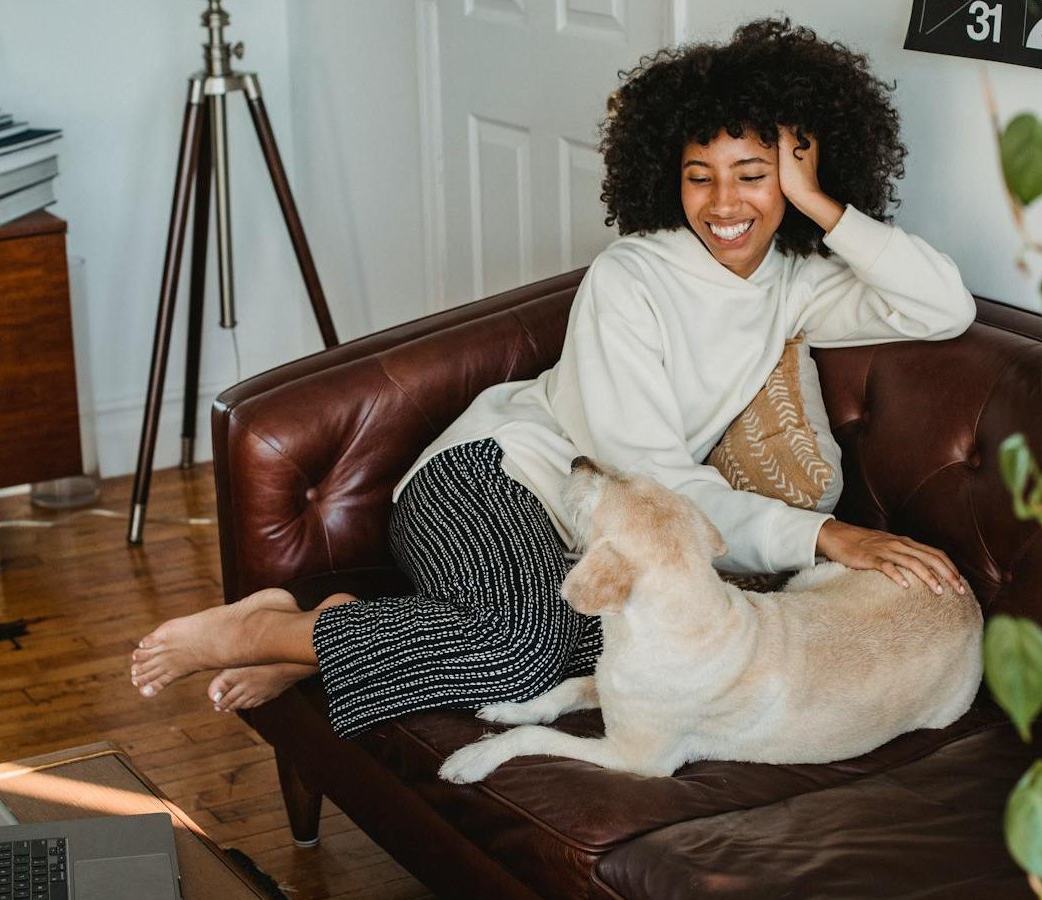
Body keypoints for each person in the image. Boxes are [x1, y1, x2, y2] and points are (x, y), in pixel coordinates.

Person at [130, 18, 976, 738]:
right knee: (521, 646)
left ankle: (318, 632)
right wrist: (825, 537)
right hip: (496, 477)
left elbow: (941, 307)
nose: (725, 203)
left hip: (599, 527)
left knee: (619, 641)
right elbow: (657, 480)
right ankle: (270, 631)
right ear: (664, 174)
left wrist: (820, 203)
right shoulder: (631, 277)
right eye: (699, 175)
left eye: (753, 176)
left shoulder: (796, 282)